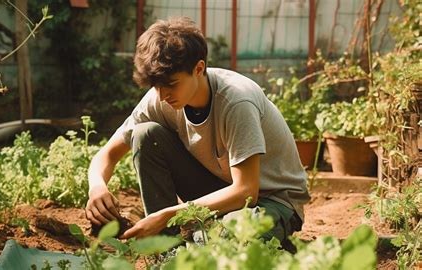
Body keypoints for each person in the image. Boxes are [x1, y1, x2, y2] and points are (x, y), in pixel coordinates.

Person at [85, 17, 310, 247]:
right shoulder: (161, 97)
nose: (162, 96)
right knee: (145, 135)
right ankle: (166, 250)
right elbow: (107, 155)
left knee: (226, 238)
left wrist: (167, 216)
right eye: (156, 86)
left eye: (171, 84)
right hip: (222, 189)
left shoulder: (236, 101)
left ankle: (258, 243)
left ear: (199, 68)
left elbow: (246, 191)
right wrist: (97, 186)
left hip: (270, 200)